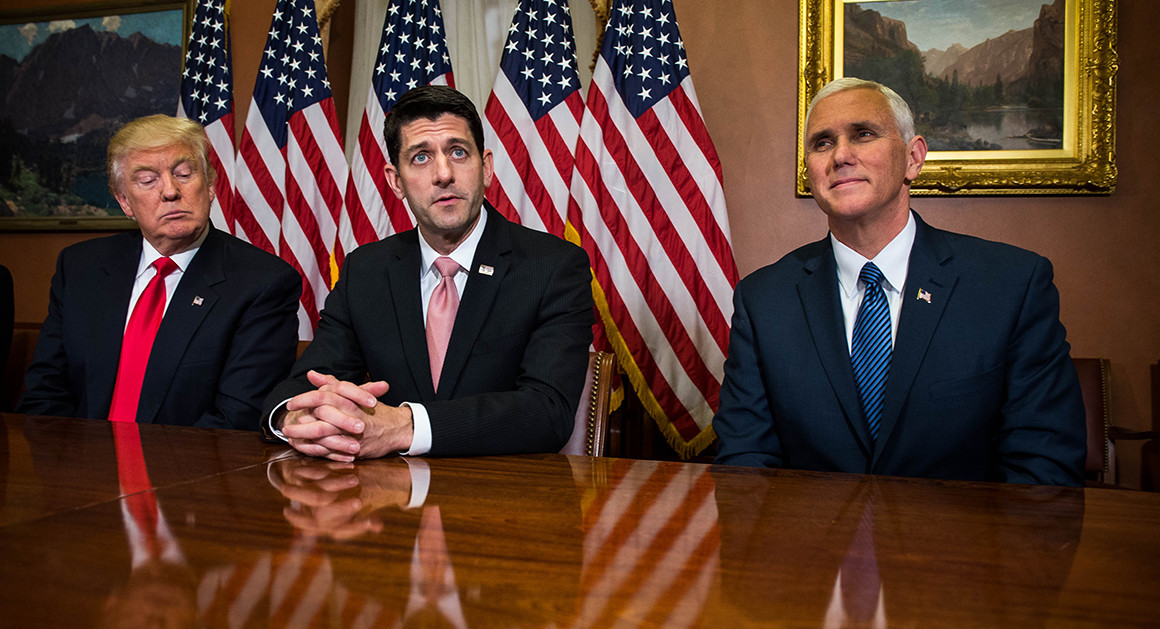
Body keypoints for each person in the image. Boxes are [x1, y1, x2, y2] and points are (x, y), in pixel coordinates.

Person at [713, 77, 1085, 486]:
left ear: (913, 158)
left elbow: (1043, 467)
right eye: (822, 142)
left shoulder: (1011, 284)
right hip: (811, 544)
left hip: (965, 546)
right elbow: (744, 467)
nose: (840, 155)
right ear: (810, 172)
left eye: (863, 134)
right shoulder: (764, 300)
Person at [262, 85, 593, 461]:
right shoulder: (367, 271)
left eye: (458, 152)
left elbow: (547, 413)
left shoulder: (553, 266)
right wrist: (304, 415)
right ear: (395, 181)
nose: (443, 174)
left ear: (485, 167)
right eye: (421, 157)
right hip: (387, 502)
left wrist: (404, 427)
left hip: (504, 499)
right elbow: (298, 387)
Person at [17, 115, 301, 429]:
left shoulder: (262, 282)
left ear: (209, 186)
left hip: (186, 471)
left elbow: (236, 418)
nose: (170, 191)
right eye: (148, 180)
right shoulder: (80, 267)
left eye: (184, 173)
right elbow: (44, 395)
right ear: (124, 201)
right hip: (79, 466)